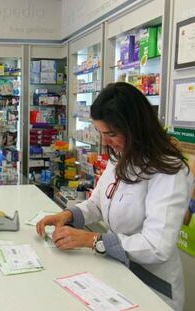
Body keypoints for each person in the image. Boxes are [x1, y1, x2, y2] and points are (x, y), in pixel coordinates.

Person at [36, 82, 194, 310]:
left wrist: (92, 240)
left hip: (152, 287)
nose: (104, 142)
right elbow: (99, 203)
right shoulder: (120, 156)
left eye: (111, 133)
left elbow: (157, 246)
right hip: (117, 273)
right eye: (101, 133)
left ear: (136, 127)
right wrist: (69, 215)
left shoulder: (168, 170)